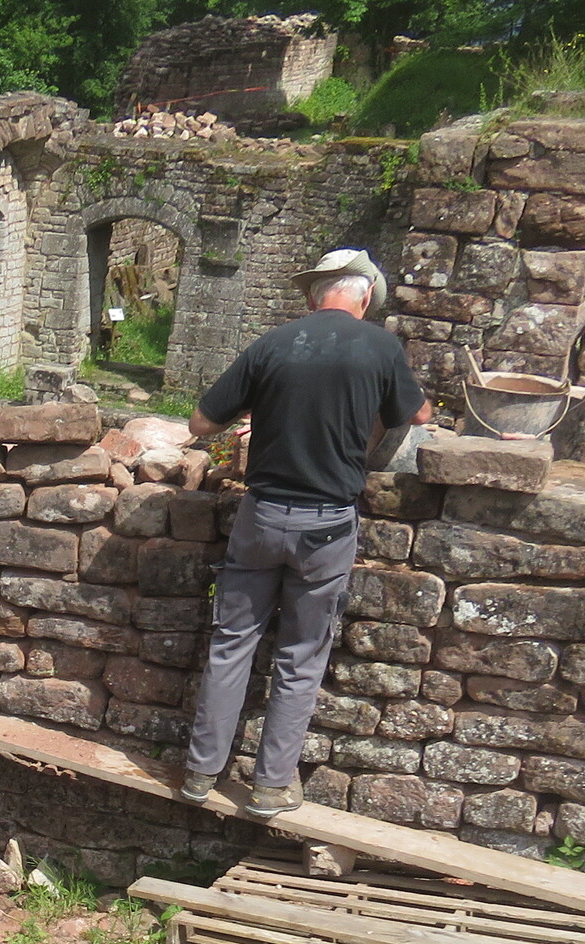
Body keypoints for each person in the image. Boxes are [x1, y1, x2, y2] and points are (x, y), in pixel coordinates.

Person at [179, 247, 431, 818]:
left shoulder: (273, 343)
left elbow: (201, 423)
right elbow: (418, 416)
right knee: (300, 655)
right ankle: (270, 787)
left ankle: (200, 773)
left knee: (232, 641)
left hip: (262, 515)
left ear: (314, 294)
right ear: (366, 298)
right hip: (328, 525)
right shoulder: (380, 347)